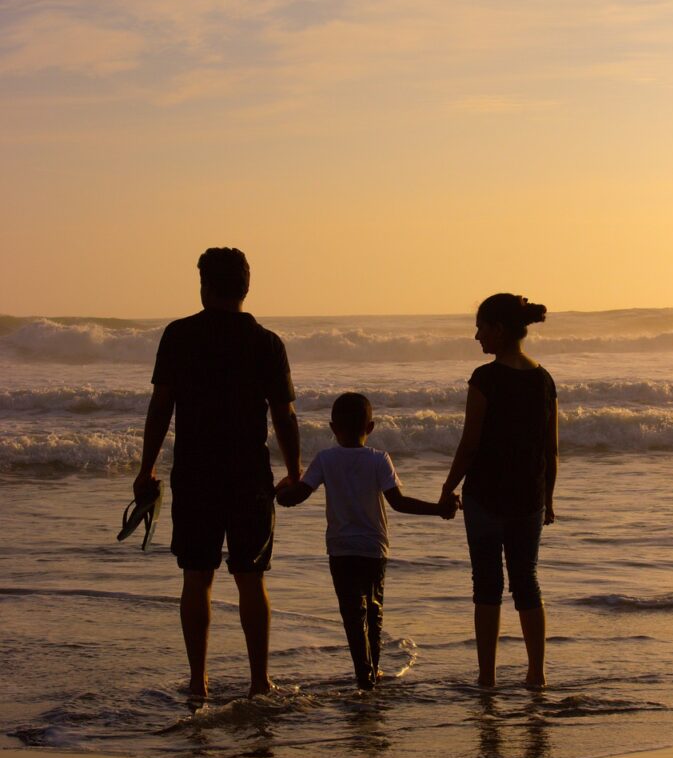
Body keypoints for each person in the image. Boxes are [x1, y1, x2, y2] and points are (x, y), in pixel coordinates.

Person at [133, 247, 301, 699]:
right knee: (251, 577)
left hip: (195, 471)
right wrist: (295, 470)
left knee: (197, 576)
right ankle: (259, 681)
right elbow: (284, 416)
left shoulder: (179, 336)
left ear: (205, 286)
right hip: (249, 473)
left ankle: (197, 681)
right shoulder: (266, 342)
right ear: (246, 287)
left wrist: (146, 467)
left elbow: (161, 406)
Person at [277, 392, 458, 690]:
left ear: (333, 428)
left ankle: (364, 676)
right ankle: (372, 671)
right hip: (375, 549)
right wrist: (438, 509)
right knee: (374, 611)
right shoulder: (378, 459)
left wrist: (276, 491)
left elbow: (295, 497)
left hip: (341, 549)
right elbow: (398, 503)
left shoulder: (325, 459)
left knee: (352, 614)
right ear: (371, 427)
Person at [440, 294, 558, 689]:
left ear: (499, 329)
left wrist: (447, 487)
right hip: (529, 496)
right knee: (527, 580)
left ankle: (487, 676)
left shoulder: (485, 378)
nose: (477, 336)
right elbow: (550, 447)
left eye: (481, 327)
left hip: (486, 496)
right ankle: (536, 673)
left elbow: (469, 443)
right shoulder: (543, 379)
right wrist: (550, 497)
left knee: (486, 584)